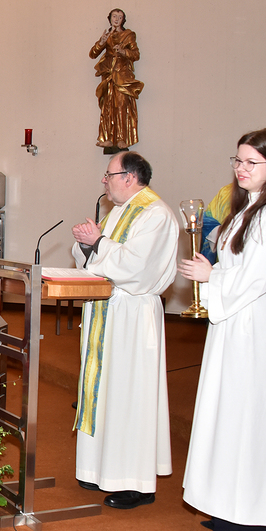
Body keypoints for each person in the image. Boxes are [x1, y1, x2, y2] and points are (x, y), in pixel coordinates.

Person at [178, 128, 266, 531]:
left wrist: (212, 276)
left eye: (251, 162)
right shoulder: (249, 208)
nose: (241, 169)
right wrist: (212, 272)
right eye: (237, 160)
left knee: (249, 419)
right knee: (229, 415)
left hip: (254, 325)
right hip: (236, 321)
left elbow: (255, 279)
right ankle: (227, 507)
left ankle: (247, 522)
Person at [70, 151, 178, 509]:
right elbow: (98, 259)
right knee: (105, 393)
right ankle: (97, 469)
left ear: (130, 177)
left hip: (133, 316)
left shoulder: (156, 214)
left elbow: (137, 268)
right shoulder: (118, 211)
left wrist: (98, 242)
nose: (104, 181)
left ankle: (136, 483)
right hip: (109, 311)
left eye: (109, 174)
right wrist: (85, 244)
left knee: (130, 395)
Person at [90, 8, 143, 150]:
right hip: (108, 75)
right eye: (114, 16)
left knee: (121, 106)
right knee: (107, 107)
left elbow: (136, 54)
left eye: (120, 17)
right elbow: (93, 54)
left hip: (122, 75)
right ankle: (107, 138)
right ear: (110, 18)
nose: (117, 19)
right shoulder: (107, 36)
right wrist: (101, 42)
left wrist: (123, 51)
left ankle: (121, 138)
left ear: (123, 20)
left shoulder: (128, 35)